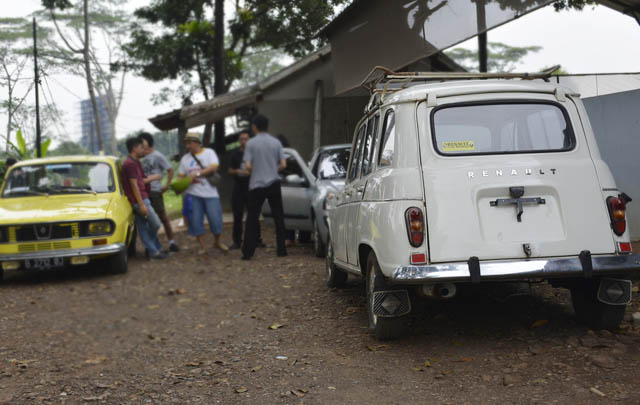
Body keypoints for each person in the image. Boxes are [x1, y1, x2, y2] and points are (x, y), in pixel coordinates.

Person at [241, 114, 287, 260]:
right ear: (268, 126)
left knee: (252, 218)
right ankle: (281, 250)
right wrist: (272, 170)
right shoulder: (276, 143)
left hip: (256, 184)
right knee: (278, 216)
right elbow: (283, 165)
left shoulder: (251, 143)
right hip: (274, 182)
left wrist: (253, 171)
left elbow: (248, 166)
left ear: (255, 127)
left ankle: (248, 252)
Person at [177, 132, 228, 255]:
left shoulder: (209, 153)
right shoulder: (185, 159)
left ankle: (217, 242)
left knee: (216, 220)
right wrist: (186, 181)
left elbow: (213, 168)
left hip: (211, 194)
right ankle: (203, 246)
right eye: (186, 143)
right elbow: (180, 177)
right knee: (196, 221)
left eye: (189, 143)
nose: (187, 146)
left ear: (196, 143)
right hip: (193, 195)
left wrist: (198, 174)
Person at [121, 137, 167, 260]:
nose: (144, 150)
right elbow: (134, 185)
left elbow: (141, 180)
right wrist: (141, 204)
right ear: (134, 148)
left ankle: (153, 251)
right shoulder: (129, 164)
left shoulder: (136, 162)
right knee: (156, 224)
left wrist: (153, 178)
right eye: (141, 148)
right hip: (139, 200)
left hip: (142, 197)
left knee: (144, 227)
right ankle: (153, 248)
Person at [139, 132, 179, 252]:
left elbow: (170, 170)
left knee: (163, 217)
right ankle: (152, 246)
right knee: (148, 219)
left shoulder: (158, 155)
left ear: (148, 142)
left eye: (142, 141)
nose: (141, 144)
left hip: (155, 190)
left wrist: (167, 185)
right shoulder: (142, 157)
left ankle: (172, 243)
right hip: (144, 191)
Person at [228, 131, 263, 250]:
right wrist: (238, 171)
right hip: (238, 187)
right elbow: (229, 171)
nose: (244, 141)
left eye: (246, 139)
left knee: (253, 214)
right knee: (237, 215)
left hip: (252, 186)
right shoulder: (235, 154)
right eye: (242, 139)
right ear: (239, 141)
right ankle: (237, 241)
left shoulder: (255, 154)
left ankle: (257, 239)